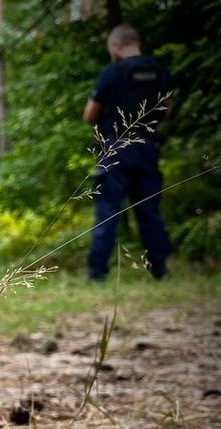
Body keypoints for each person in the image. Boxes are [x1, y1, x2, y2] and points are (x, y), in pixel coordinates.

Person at [83, 23, 174, 281]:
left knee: (107, 209)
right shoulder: (159, 71)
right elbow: (168, 110)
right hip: (148, 147)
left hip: (116, 148)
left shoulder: (112, 73)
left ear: (116, 46)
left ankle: (97, 273)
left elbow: (90, 114)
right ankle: (159, 269)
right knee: (149, 210)